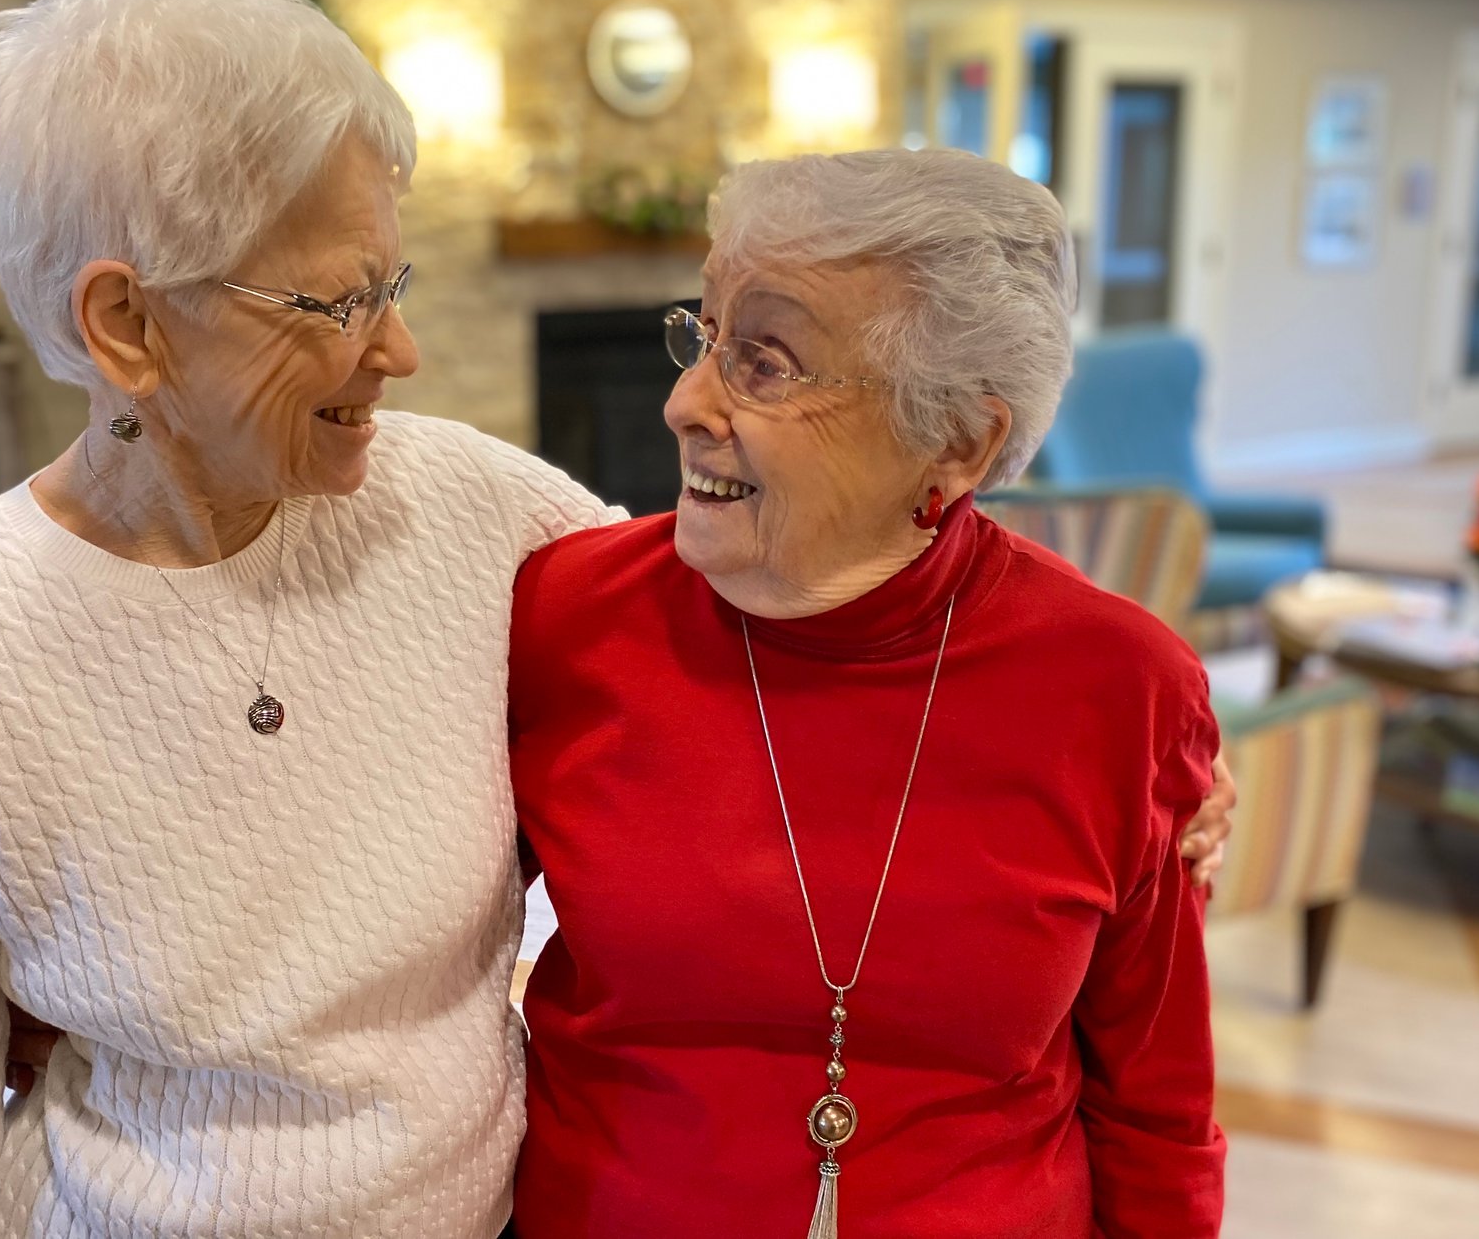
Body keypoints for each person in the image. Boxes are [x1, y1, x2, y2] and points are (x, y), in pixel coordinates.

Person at [0, 0, 610, 1238]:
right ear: (127, 324)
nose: (396, 351)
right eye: (339, 301)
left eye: (389, 287)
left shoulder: (479, 513)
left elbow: (735, 673)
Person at [508, 148, 1227, 1237]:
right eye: (702, 336)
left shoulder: (1117, 689)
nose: (685, 404)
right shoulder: (563, 615)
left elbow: (1157, 1111)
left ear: (956, 441)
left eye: (765, 361)